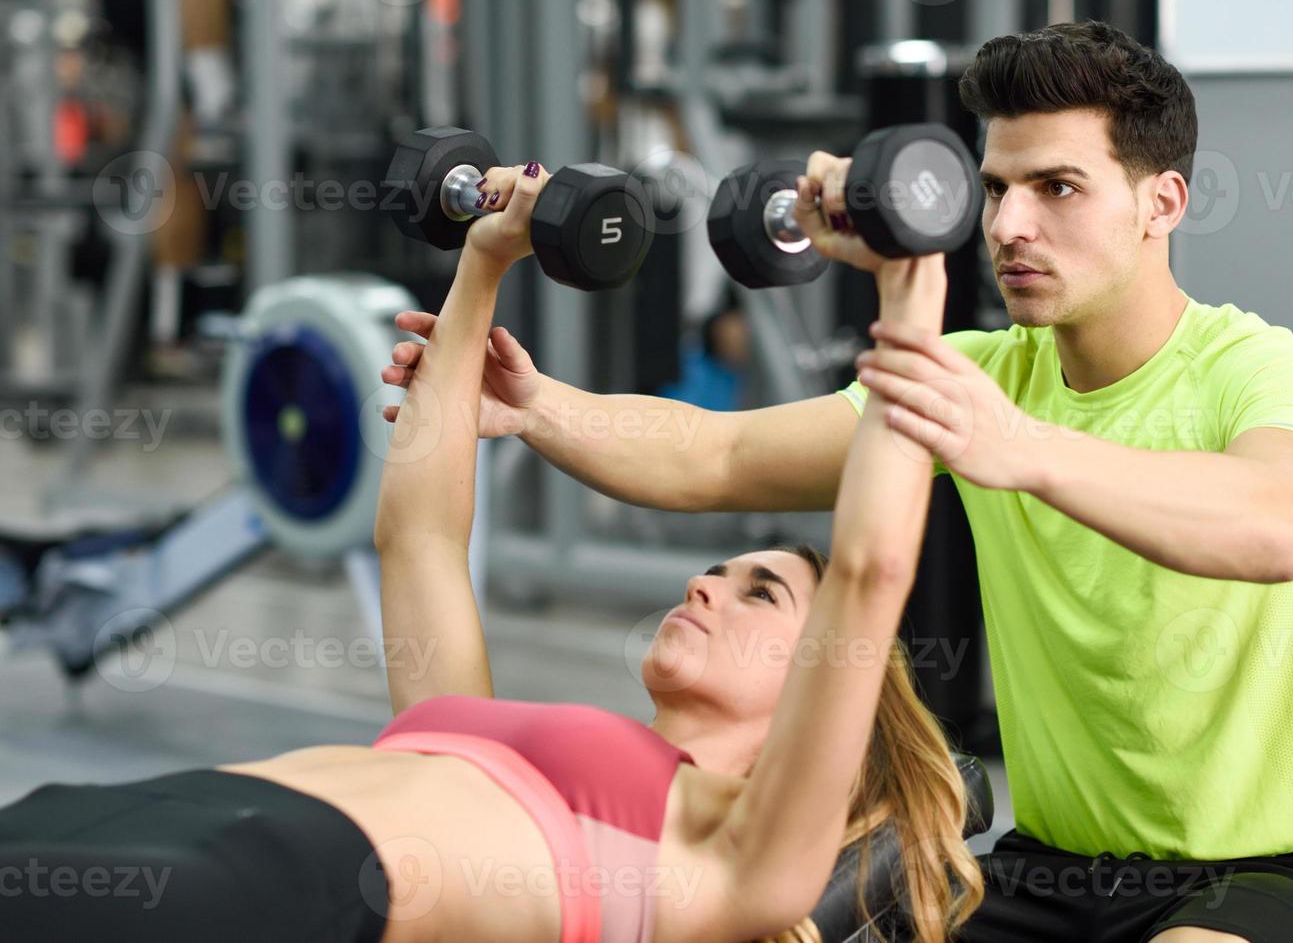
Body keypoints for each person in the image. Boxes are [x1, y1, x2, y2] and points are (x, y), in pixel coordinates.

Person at [381, 23, 1293, 942]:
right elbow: (717, 455)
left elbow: (1280, 524)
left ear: (1160, 201)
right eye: (995, 189)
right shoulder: (984, 373)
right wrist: (538, 406)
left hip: (1258, 876)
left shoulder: (1259, 373)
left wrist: (1023, 448)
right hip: (1045, 874)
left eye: (1057, 188)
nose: (1009, 225)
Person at [0, 163, 982, 943]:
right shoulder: (472, 728)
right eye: (721, 571)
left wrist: (911, 282)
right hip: (167, 811)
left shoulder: (739, 865)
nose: (702, 583)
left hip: (257, 886)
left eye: (760, 592)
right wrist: (484, 259)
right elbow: (418, 540)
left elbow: (868, 567)